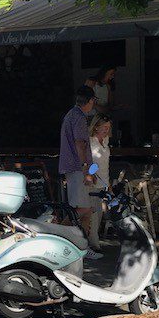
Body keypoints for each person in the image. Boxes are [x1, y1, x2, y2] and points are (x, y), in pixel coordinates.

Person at [59, 86, 97, 237]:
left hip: (74, 167)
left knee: (85, 209)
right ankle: (57, 234)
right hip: (77, 168)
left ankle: (83, 246)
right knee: (83, 209)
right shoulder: (79, 117)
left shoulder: (71, 114)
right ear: (91, 100)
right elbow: (80, 144)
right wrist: (86, 168)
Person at [87, 114, 112, 259]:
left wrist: (108, 184)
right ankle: (94, 244)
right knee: (93, 215)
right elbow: (88, 163)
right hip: (94, 182)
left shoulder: (105, 141)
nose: (106, 130)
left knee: (99, 214)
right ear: (96, 127)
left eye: (108, 128)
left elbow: (105, 165)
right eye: (104, 127)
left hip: (103, 182)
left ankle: (94, 243)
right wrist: (91, 175)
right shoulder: (91, 142)